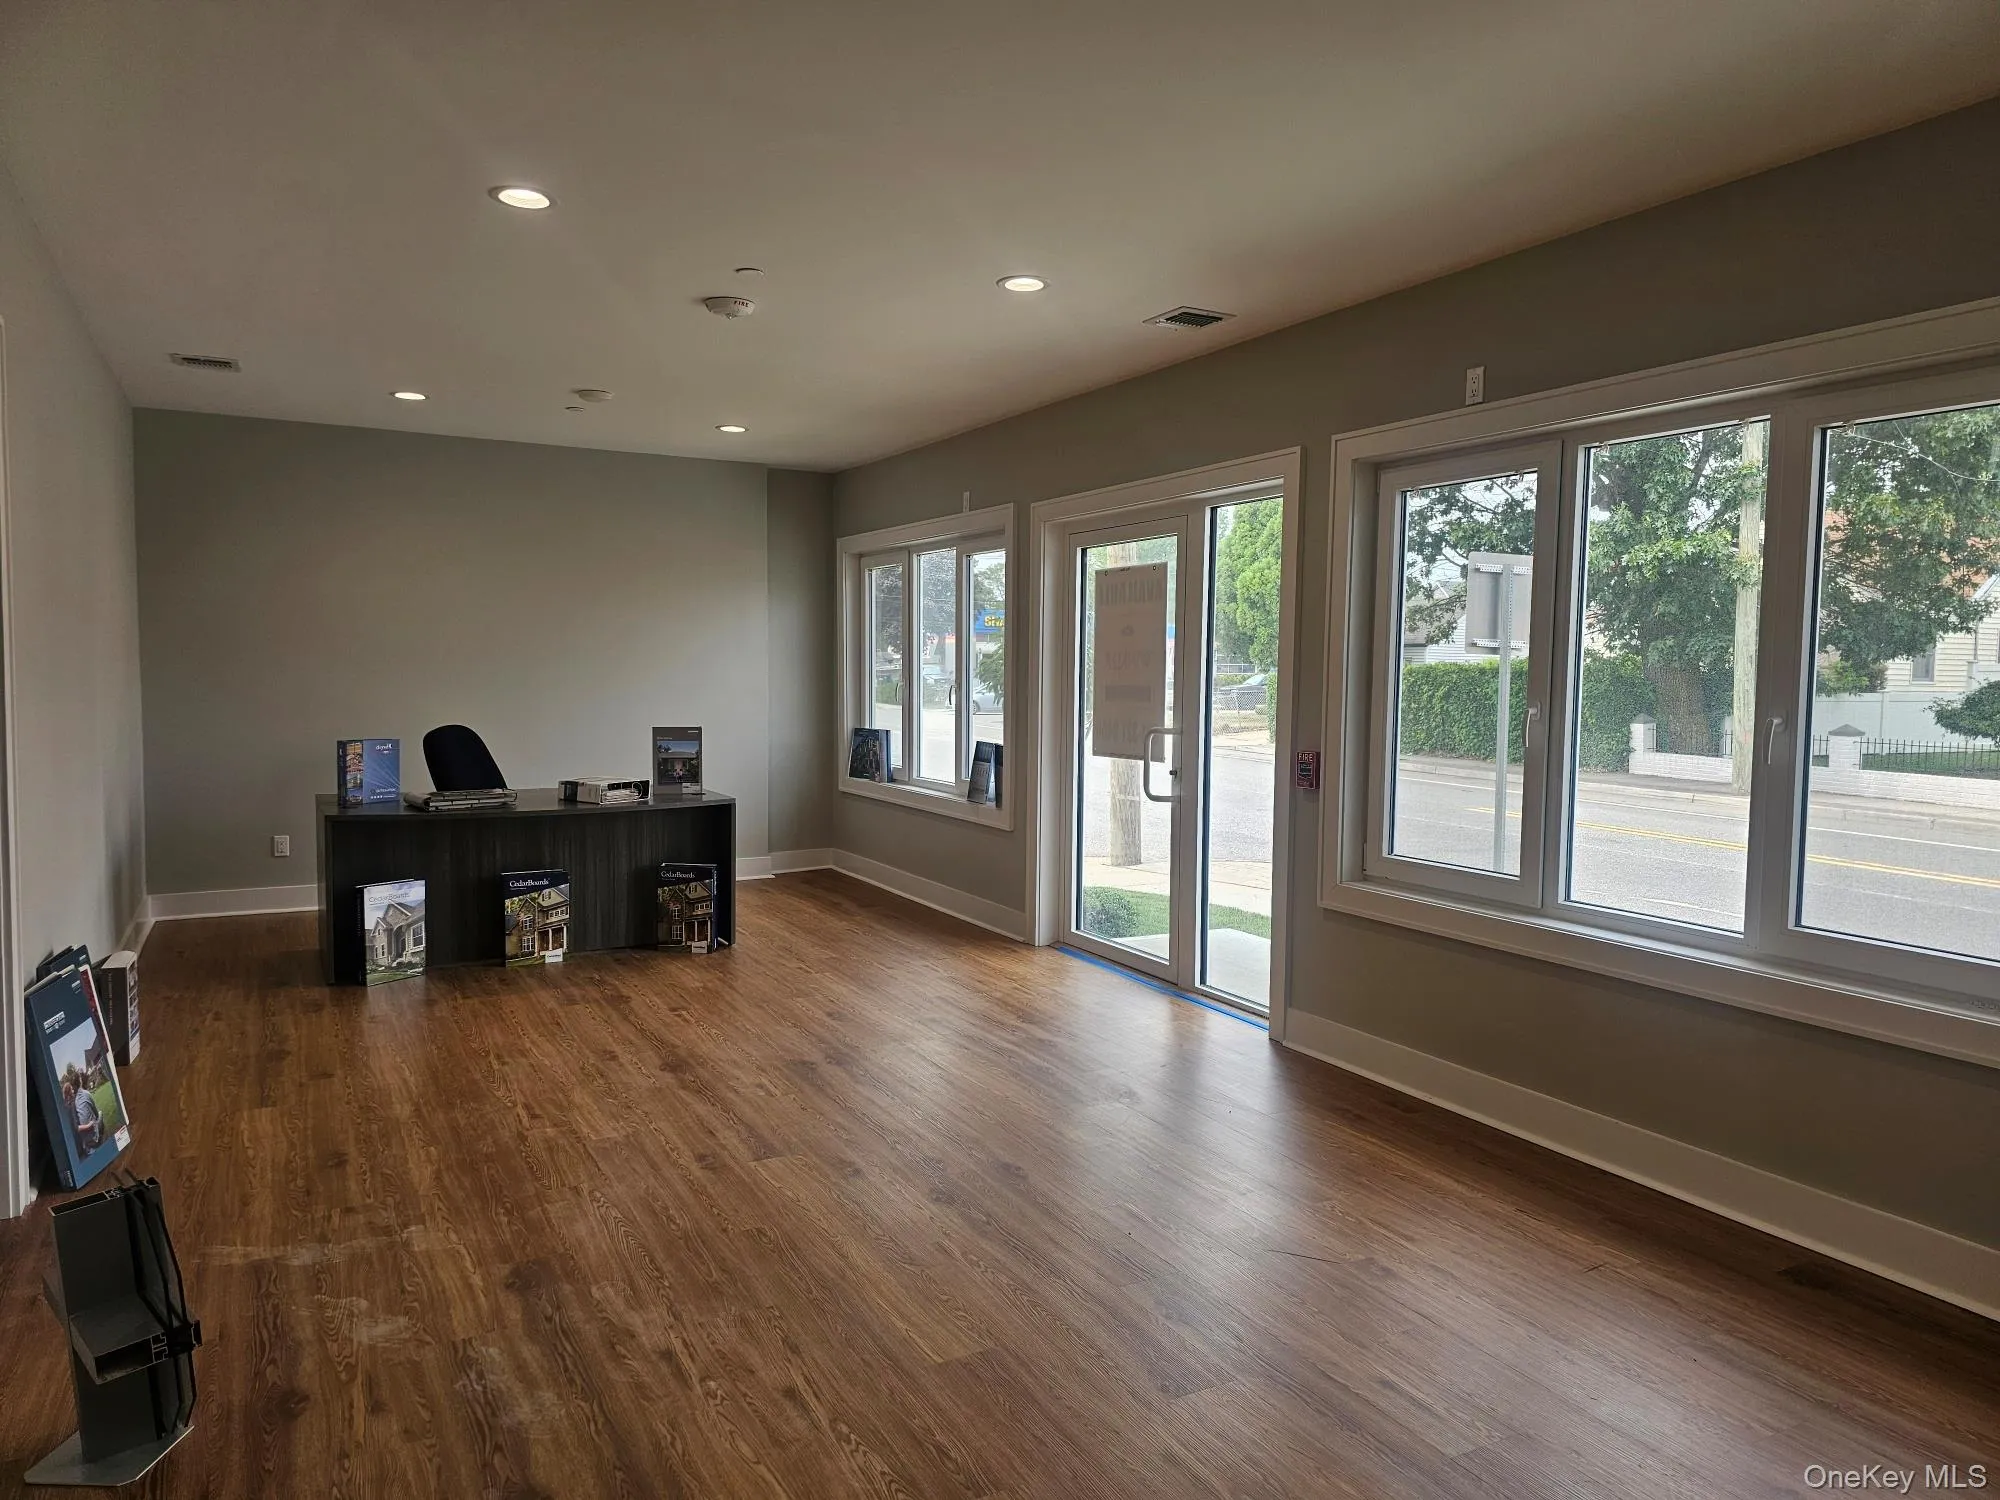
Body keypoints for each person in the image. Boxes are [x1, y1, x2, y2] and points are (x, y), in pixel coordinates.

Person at [67, 1079, 103, 1152]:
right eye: (71, 1089)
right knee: (100, 1113)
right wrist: (89, 1125)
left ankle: (88, 1143)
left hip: (84, 1139)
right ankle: (98, 1137)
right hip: (91, 1139)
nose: (72, 1090)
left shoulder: (73, 1102)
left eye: (72, 1088)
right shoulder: (73, 1103)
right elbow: (77, 1128)